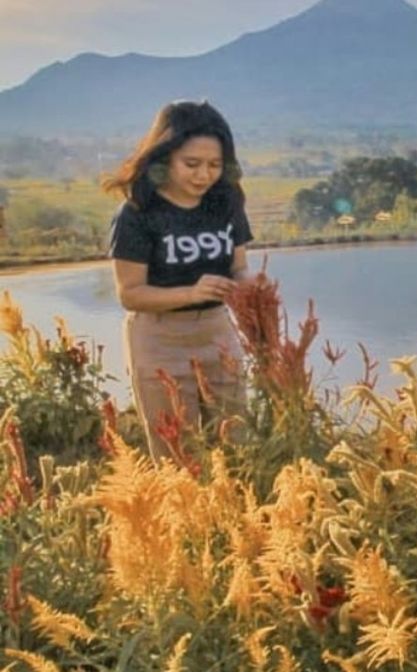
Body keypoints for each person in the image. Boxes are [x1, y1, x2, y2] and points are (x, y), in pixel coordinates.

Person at [103, 101, 253, 461]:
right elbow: (131, 294)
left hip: (218, 332)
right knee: (177, 455)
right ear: (165, 157)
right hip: (159, 340)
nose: (204, 176)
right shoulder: (137, 212)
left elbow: (240, 267)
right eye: (192, 165)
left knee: (239, 447)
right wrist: (191, 292)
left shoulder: (226, 201)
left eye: (214, 165)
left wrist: (250, 288)